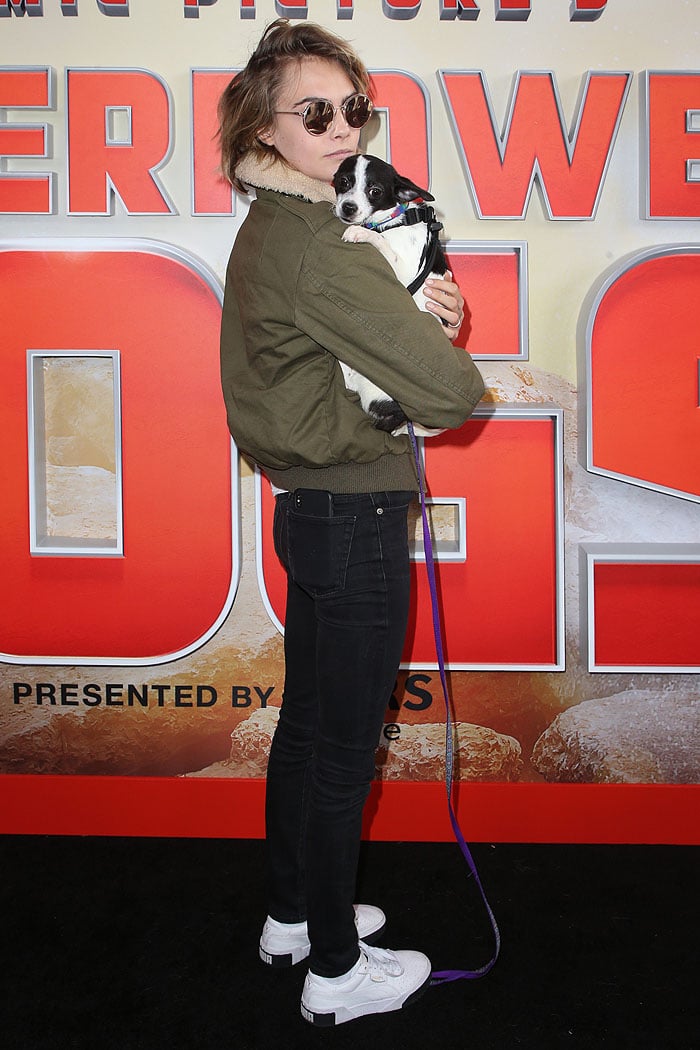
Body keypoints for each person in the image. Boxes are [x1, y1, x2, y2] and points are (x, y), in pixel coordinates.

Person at [218, 18, 485, 1027]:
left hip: (313, 511)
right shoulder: (325, 249)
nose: (342, 128)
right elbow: (454, 394)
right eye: (315, 112)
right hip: (353, 516)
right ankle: (335, 969)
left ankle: (294, 915)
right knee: (339, 753)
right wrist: (430, 329)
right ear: (266, 128)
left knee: (307, 735)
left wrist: (407, 334)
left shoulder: (280, 230)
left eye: (353, 109)